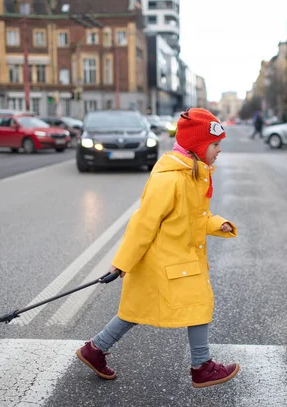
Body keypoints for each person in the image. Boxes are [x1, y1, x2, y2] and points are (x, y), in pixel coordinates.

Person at [76, 108, 240, 388]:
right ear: (198, 146)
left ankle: (95, 349)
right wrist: (122, 263)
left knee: (134, 310)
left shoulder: (193, 175)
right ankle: (201, 366)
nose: (219, 150)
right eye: (215, 144)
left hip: (174, 259)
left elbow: (193, 219)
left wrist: (218, 224)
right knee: (199, 303)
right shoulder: (171, 178)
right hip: (167, 261)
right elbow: (143, 223)